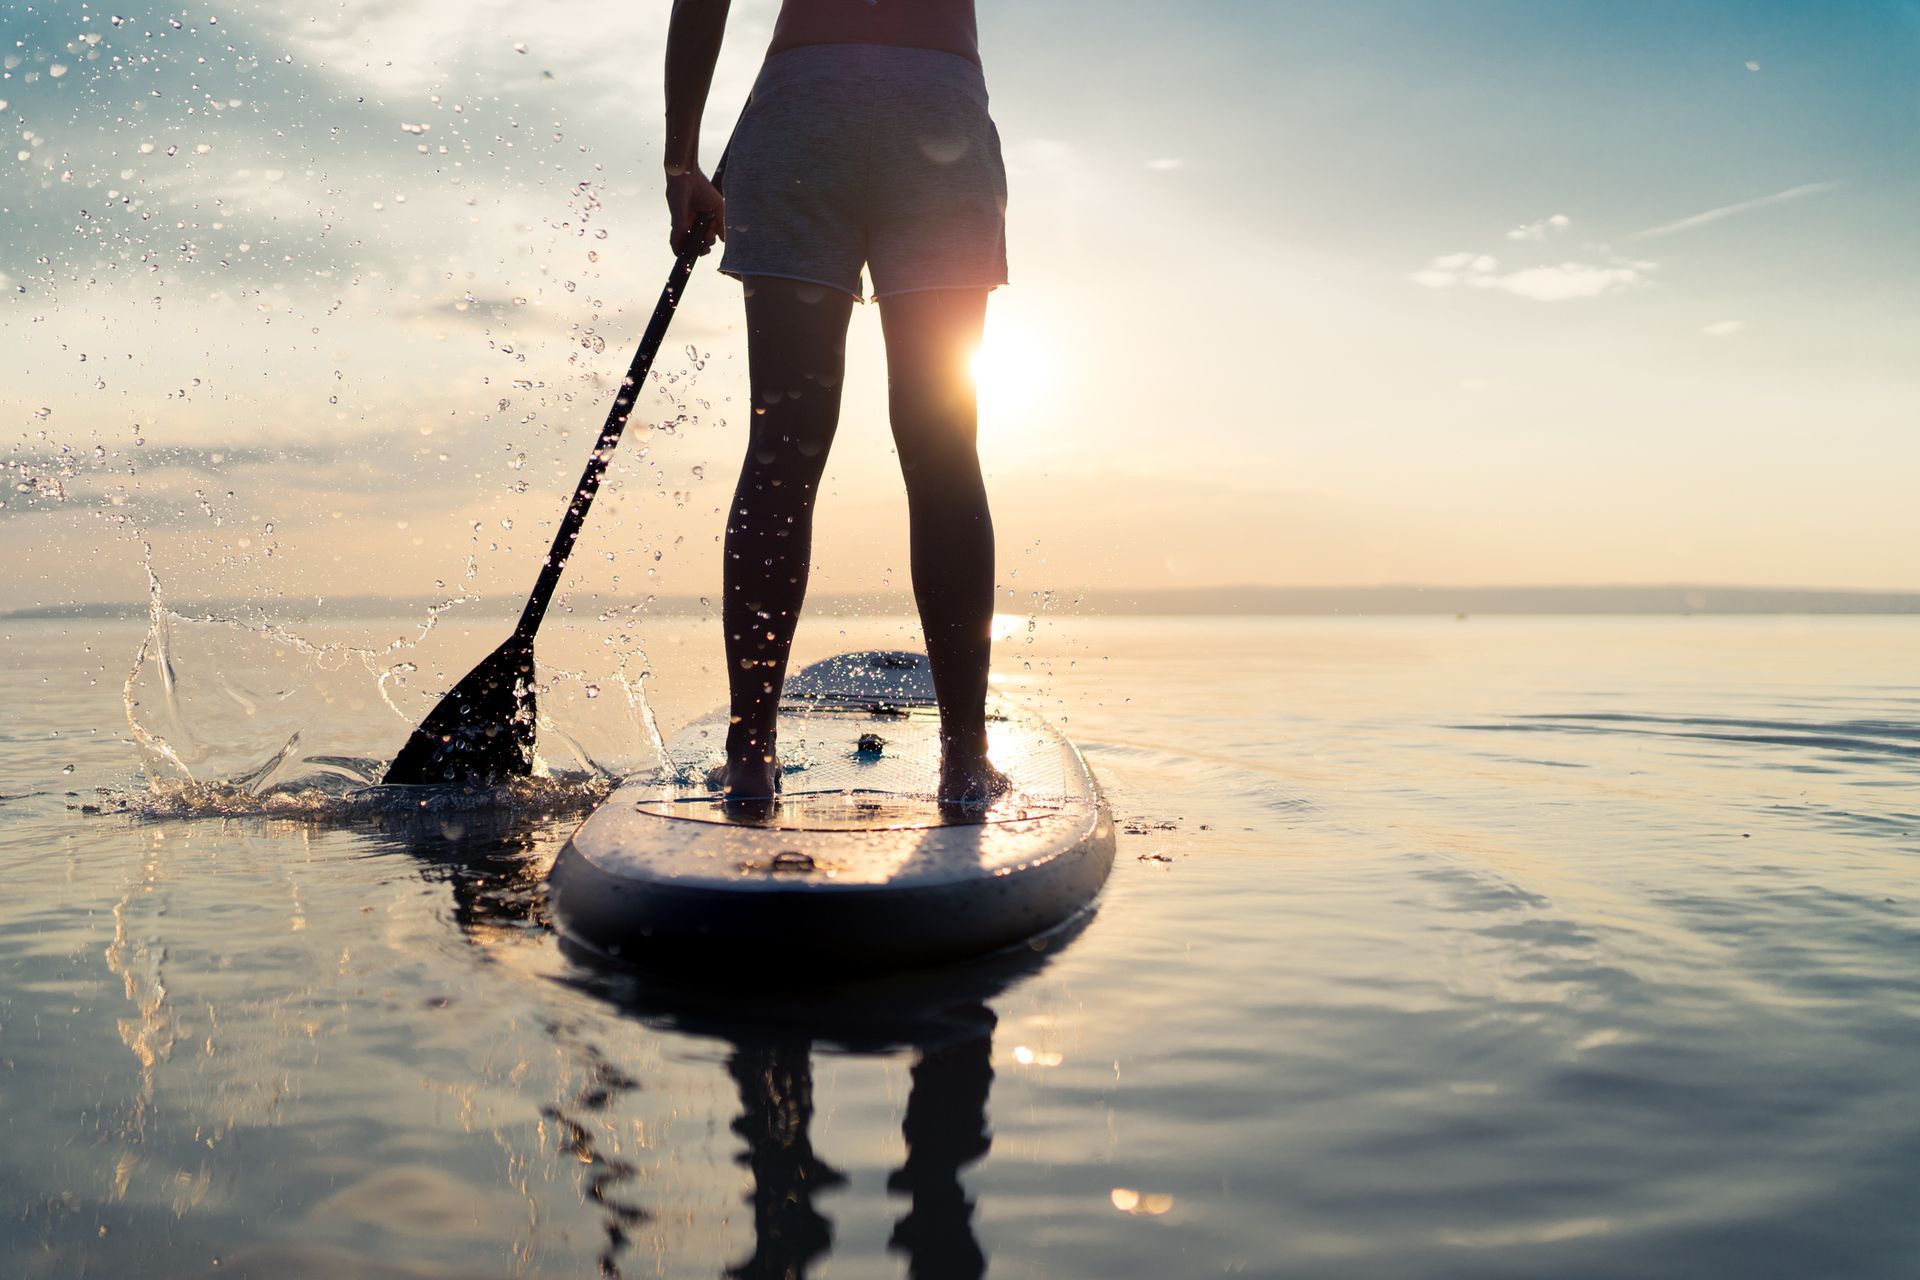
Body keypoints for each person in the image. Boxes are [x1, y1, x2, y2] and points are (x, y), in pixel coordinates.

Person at [663, 0, 1011, 805]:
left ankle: (751, 754)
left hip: (802, 108)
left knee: (782, 442)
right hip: (938, 107)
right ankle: (963, 760)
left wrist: (683, 164)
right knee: (943, 443)